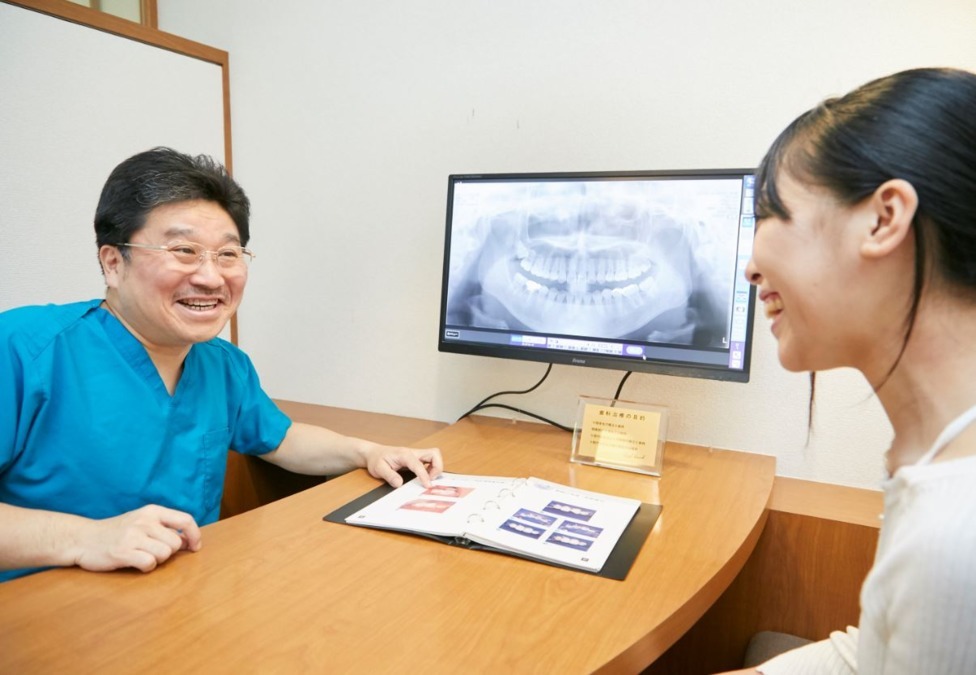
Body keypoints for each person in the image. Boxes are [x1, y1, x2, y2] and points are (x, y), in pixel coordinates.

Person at [0, 147, 443, 583]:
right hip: (45, 620)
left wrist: (367, 451)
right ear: (113, 262)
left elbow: (281, 438)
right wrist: (87, 538)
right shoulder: (23, 349)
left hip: (186, 600)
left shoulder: (223, 364)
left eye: (228, 254)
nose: (211, 277)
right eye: (184, 250)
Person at [722, 67, 976, 674]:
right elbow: (876, 653)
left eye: (768, 214)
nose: (751, 268)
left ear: (885, 218)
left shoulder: (954, 537)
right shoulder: (936, 463)